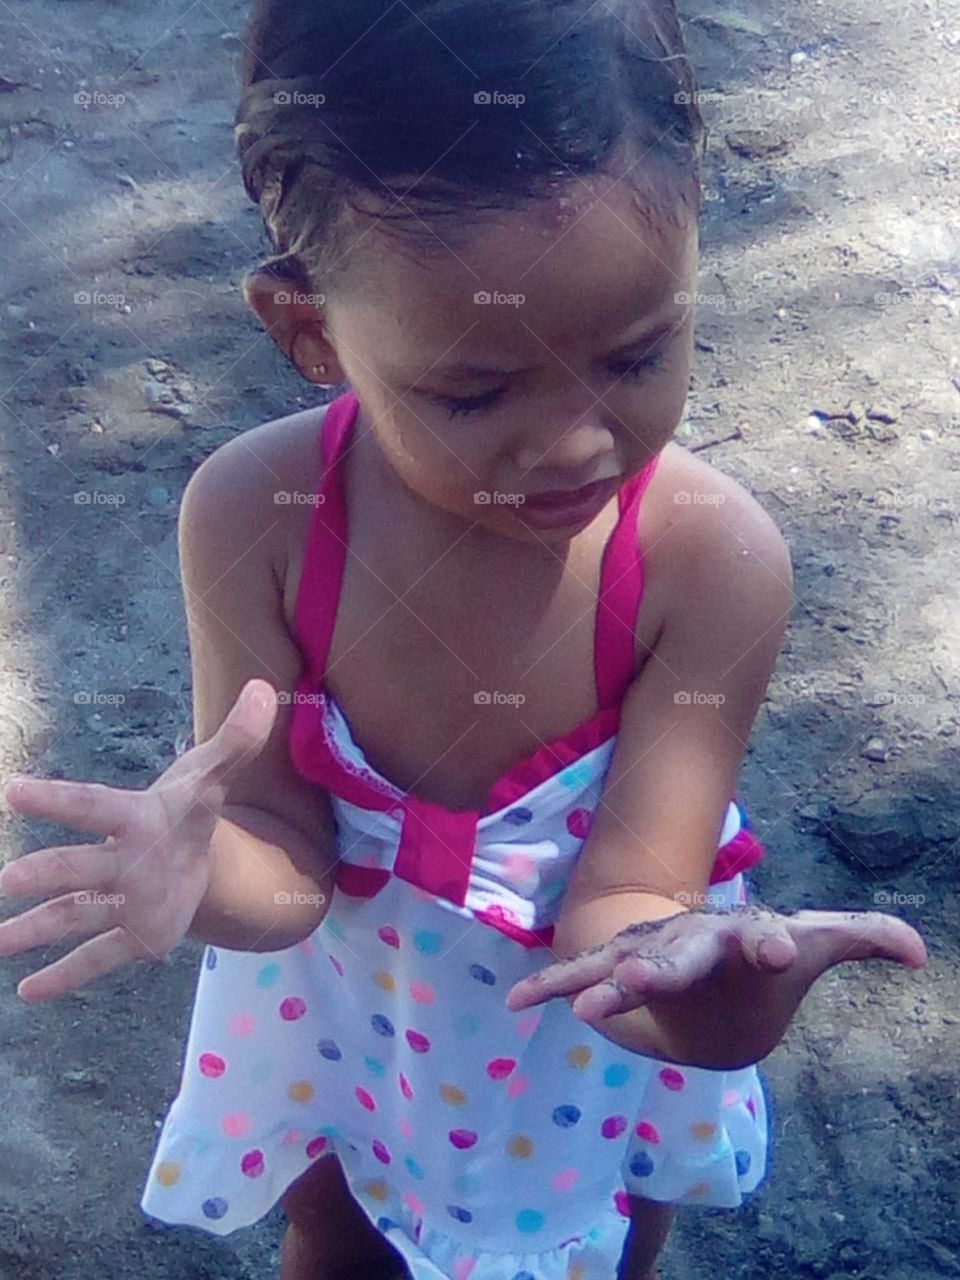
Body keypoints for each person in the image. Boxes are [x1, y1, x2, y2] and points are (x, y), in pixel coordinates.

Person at [0, 1, 927, 1277]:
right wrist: (197, 876)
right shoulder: (259, 519)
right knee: (334, 1233)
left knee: (602, 1240)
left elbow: (631, 902)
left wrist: (708, 1007)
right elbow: (281, 852)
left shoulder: (709, 564)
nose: (577, 442)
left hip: (578, 1057)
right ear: (310, 331)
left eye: (637, 354)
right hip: (352, 1023)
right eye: (475, 389)